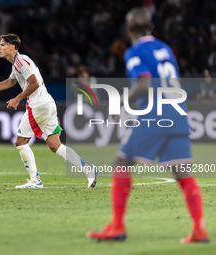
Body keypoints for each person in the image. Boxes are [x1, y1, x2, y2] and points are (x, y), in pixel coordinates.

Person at [86, 8, 209, 243]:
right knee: (183, 172)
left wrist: (119, 102)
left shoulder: (135, 51)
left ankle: (117, 226)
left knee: (121, 162)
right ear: (151, 27)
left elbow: (144, 85)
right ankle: (199, 229)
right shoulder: (165, 49)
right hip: (178, 112)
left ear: (128, 29)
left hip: (156, 114)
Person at [0, 33, 97, 189]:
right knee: (55, 145)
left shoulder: (21, 62)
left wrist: (17, 99)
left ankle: (35, 180)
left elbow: (34, 84)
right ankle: (89, 170)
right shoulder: (18, 63)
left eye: (2, 45)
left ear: (12, 47)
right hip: (47, 104)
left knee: (20, 141)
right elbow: (10, 82)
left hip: (38, 106)